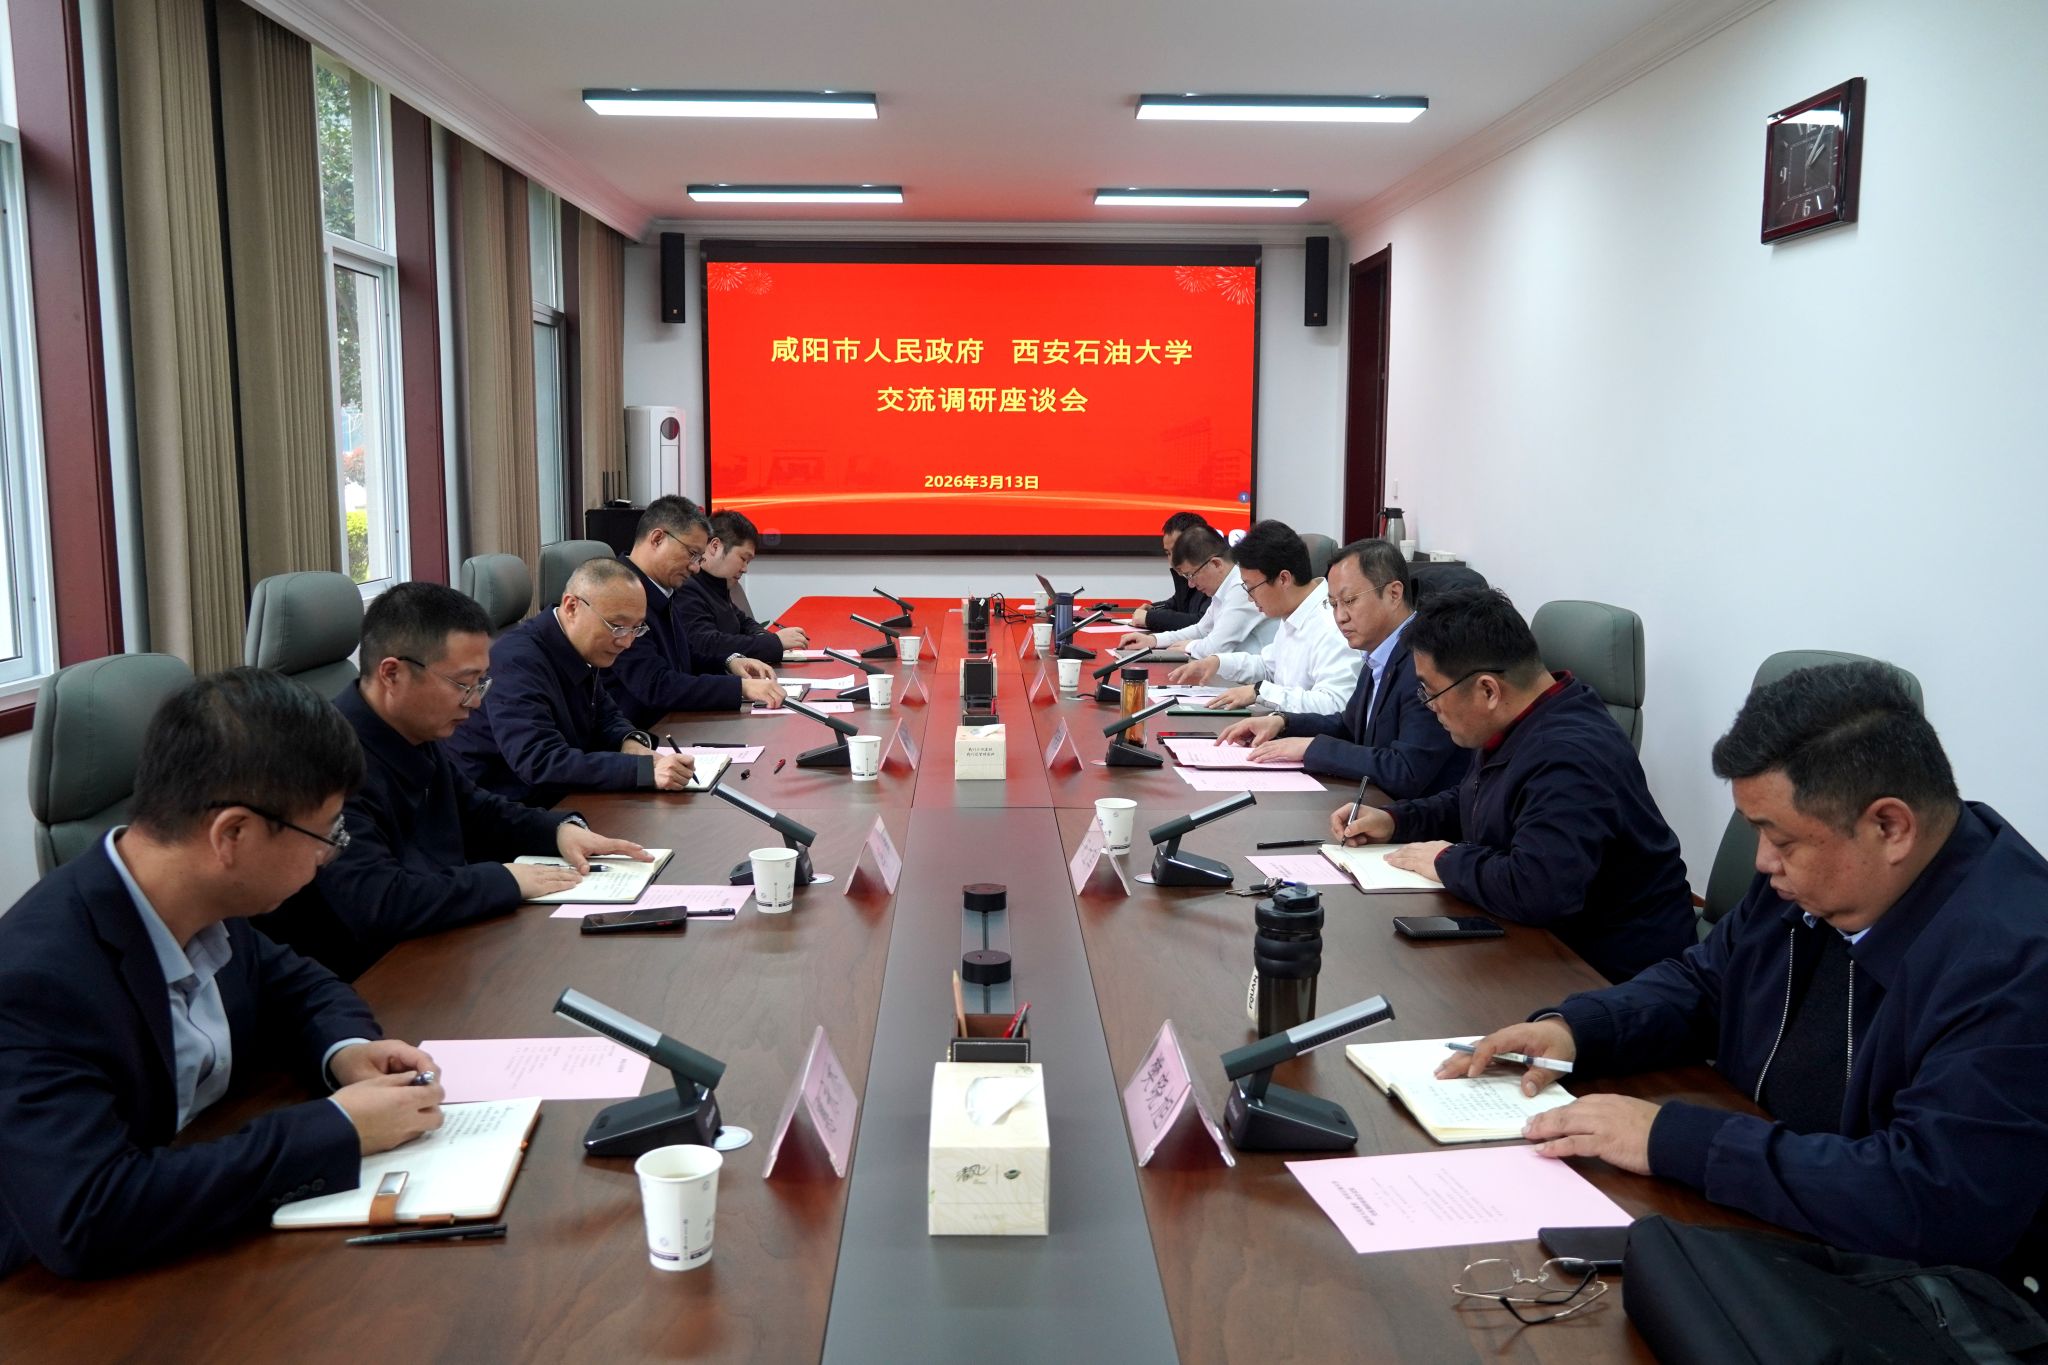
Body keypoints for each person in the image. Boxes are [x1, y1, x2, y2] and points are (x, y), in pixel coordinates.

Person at [1446, 664, 2048, 1289]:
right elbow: (1709, 982)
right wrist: (1578, 1030)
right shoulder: (1818, 884)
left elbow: (1935, 1200)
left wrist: (1673, 1140)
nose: (1762, 862)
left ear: (1889, 827)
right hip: (1767, 1208)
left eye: (1780, 840)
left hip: (1905, 1289)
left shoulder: (2015, 963)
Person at [0, 668, 445, 1279]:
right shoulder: (35, 981)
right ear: (232, 834)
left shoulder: (206, 903)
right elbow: (87, 1212)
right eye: (325, 834)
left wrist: (346, 1051)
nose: (328, 856)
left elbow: (301, 986)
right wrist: (336, 1128)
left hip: (199, 1221)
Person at [255, 583, 653, 980]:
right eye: (464, 684)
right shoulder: (327, 762)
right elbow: (380, 902)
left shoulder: (412, 728)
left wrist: (558, 831)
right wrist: (505, 880)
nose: (475, 701)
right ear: (392, 674)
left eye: (481, 683)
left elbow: (476, 809)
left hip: (437, 945)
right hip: (373, 976)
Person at [1331, 586, 1692, 981]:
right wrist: (1396, 820)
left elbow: (1537, 889)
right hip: (1545, 943)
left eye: (1431, 692)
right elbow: (1474, 799)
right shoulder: (1524, 718)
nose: (1429, 706)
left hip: (1613, 976)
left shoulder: (1571, 756)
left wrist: (1444, 860)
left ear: (1488, 690)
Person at [1215, 538, 1460, 798]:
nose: (1340, 617)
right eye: (1333, 604)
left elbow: (1405, 769)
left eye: (1350, 600)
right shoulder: (1379, 650)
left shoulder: (1425, 660)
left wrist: (1312, 748)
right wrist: (1283, 722)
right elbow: (1349, 726)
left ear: (1394, 593)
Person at [447, 556, 694, 807]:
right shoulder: (516, 661)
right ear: (572, 607)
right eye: (617, 627)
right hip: (508, 810)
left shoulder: (579, 645)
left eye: (637, 629)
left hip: (560, 797)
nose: (627, 642)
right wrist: (642, 771)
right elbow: (540, 761)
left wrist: (632, 744)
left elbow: (605, 715)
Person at [607, 497, 786, 728]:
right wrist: (740, 687)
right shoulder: (618, 594)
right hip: (644, 732)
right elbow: (656, 685)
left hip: (674, 722)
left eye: (698, 558)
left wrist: (729, 662)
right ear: (658, 539)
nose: (695, 567)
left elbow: (685, 654)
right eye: (691, 554)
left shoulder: (660, 588)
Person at [1166, 520, 1360, 715]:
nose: (1250, 598)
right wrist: (1217, 662)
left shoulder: (1333, 624)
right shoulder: (1293, 613)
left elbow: (1335, 704)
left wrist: (1260, 692)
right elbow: (1268, 666)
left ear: (1283, 579)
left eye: (1251, 588)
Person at [1115, 524, 1274, 662]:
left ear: (1216, 564)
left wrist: (1190, 646)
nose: (1190, 584)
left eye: (1191, 575)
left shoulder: (1241, 587)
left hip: (1256, 680)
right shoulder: (1223, 588)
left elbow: (1215, 648)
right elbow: (1201, 630)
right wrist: (1153, 640)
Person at [679, 509, 805, 666]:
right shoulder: (686, 588)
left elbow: (743, 621)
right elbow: (708, 644)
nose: (745, 569)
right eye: (743, 558)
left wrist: (763, 636)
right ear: (715, 546)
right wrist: (774, 642)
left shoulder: (716, 585)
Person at [1132, 511, 1212, 633]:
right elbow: (1178, 602)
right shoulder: (1185, 576)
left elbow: (1202, 623)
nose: (1172, 560)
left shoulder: (1214, 576)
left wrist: (1150, 618)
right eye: (1168, 553)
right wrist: (1153, 609)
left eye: (1177, 551)